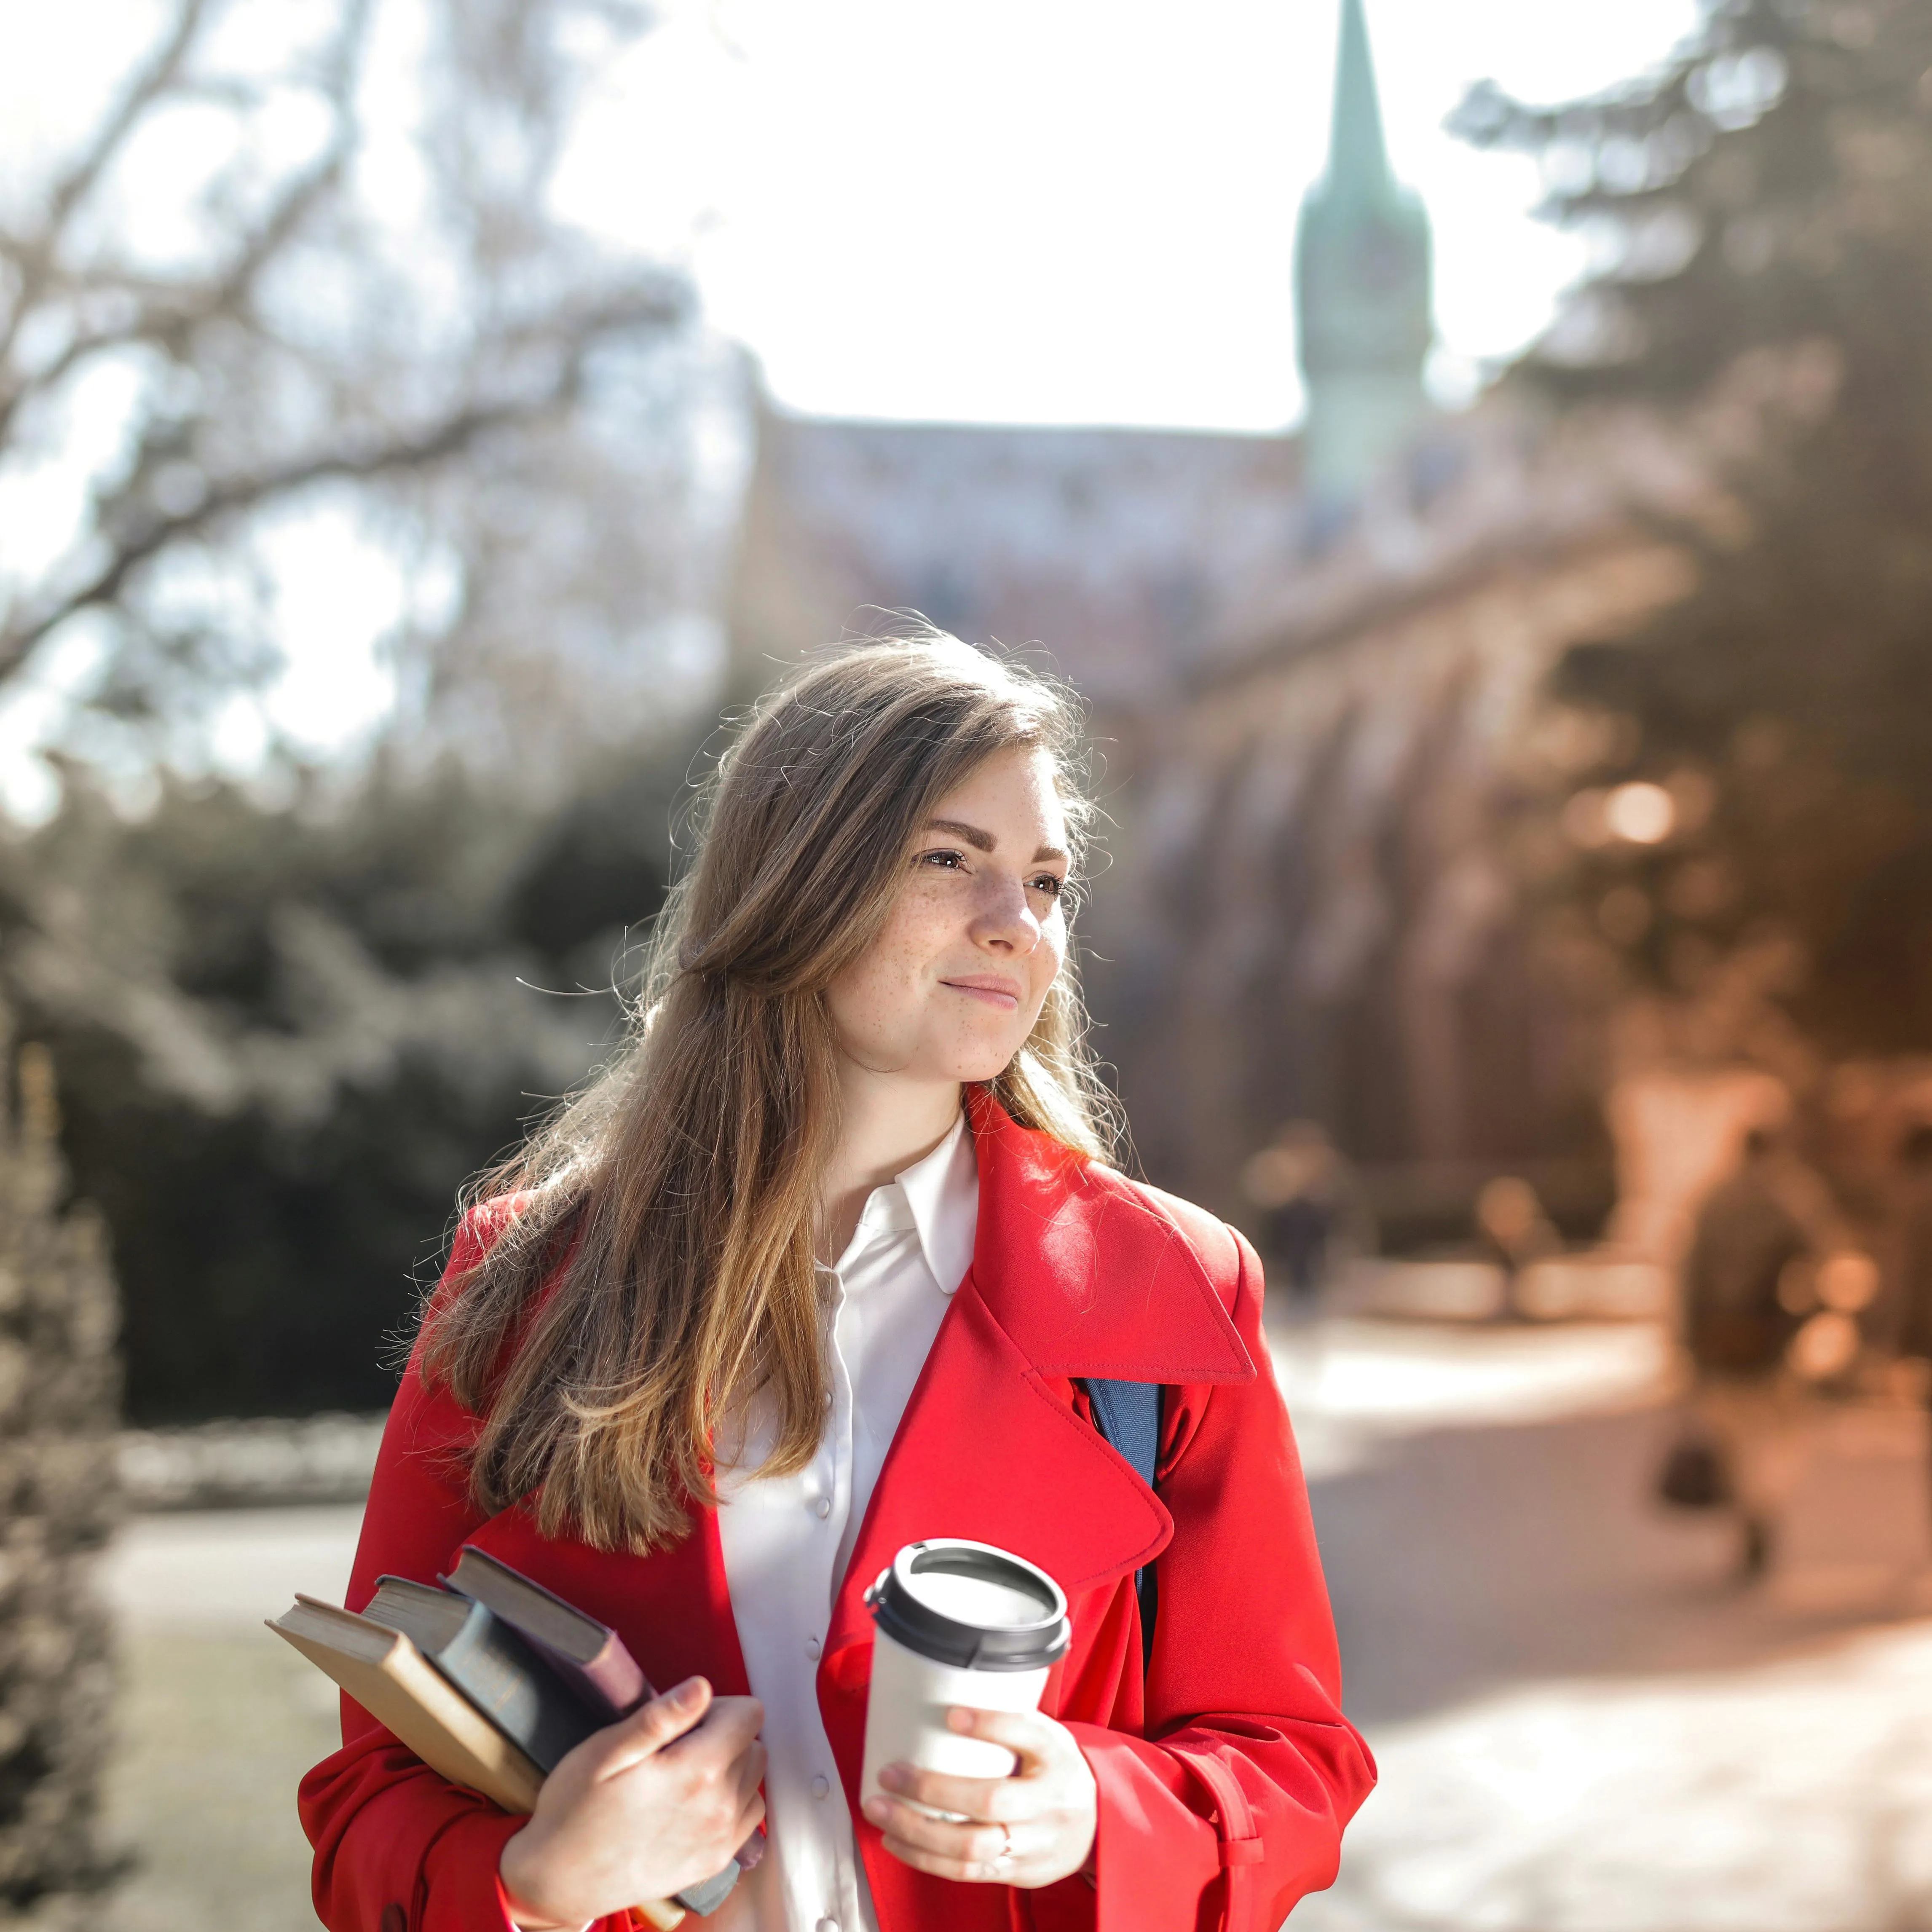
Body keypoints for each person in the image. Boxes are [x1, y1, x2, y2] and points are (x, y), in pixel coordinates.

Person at [297, 638, 1375, 1932]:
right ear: (794, 882)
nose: (1015, 922)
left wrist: (1095, 1807)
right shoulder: (523, 1281)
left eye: (1045, 879)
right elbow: (368, 1793)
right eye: (947, 857)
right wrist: (534, 1884)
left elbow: (1290, 1761)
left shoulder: (1173, 1292)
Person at [1676, 1123, 1834, 1579]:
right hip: (1769, 1340)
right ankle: (1761, 1511)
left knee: (1732, 1437)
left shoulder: (1713, 1201)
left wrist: (1689, 1346)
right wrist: (1801, 1321)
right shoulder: (1791, 1199)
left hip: (1718, 1341)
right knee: (1772, 1435)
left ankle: (1748, 1515)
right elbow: (1822, 1263)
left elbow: (1690, 1278)